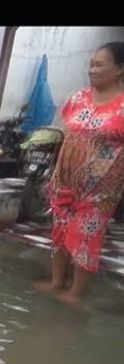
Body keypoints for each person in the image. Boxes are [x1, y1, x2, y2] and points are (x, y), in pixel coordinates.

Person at [34, 41, 124, 305]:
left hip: (99, 190)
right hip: (64, 182)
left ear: (119, 69)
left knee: (86, 235)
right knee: (60, 230)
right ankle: (56, 282)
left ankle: (75, 292)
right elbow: (67, 134)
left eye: (99, 65)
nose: (91, 70)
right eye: (91, 64)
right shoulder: (78, 98)